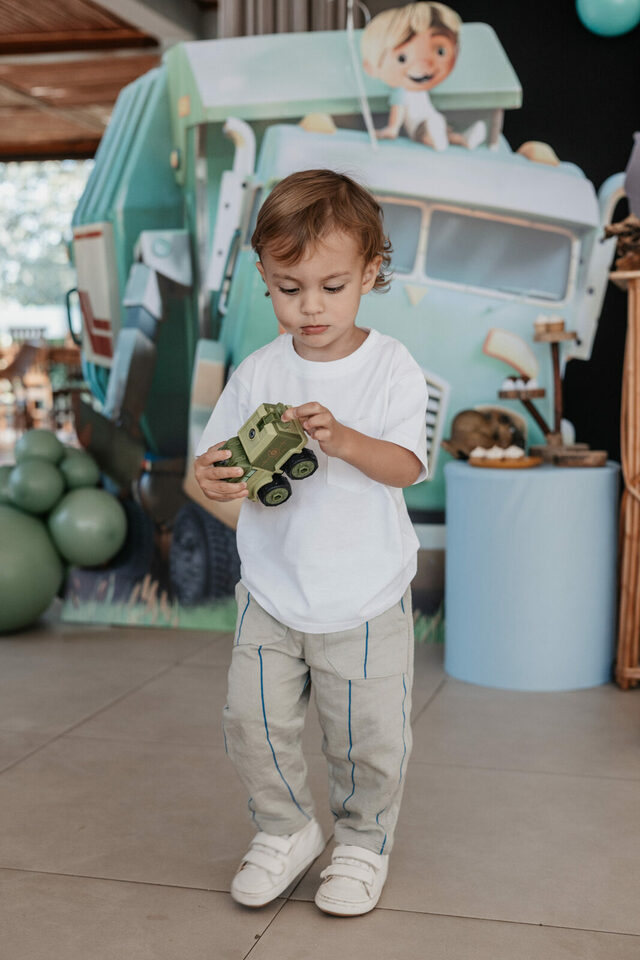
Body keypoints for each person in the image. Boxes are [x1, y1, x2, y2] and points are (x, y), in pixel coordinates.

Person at [194, 169, 429, 917]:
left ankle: (362, 842)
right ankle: (285, 828)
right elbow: (217, 463)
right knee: (251, 723)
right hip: (271, 591)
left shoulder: (390, 366)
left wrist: (346, 439)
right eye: (288, 288)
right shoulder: (260, 369)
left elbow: (408, 467)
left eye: (332, 286)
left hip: (364, 597)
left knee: (367, 738)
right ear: (264, 276)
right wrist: (215, 476)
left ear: (371, 272)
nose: (310, 307)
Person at [362, 2, 486, 151]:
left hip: (427, 120)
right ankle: (444, 138)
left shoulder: (411, 87)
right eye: (402, 58)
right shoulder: (401, 89)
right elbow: (398, 108)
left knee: (436, 129)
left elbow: (402, 107)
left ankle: (460, 139)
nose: (423, 66)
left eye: (440, 51)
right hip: (421, 123)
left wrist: (392, 129)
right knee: (432, 129)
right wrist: (392, 129)